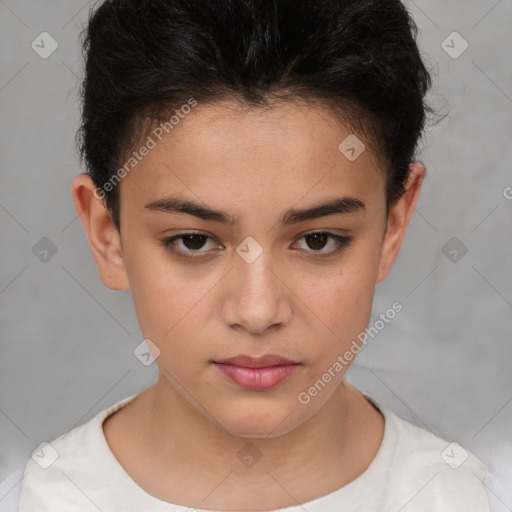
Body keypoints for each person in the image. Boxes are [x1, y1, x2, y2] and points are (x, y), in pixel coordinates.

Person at [1, 0, 496, 510]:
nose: (257, 312)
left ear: (393, 225)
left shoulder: (464, 497)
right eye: (193, 241)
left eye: (318, 240)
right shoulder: (32, 500)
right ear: (108, 235)